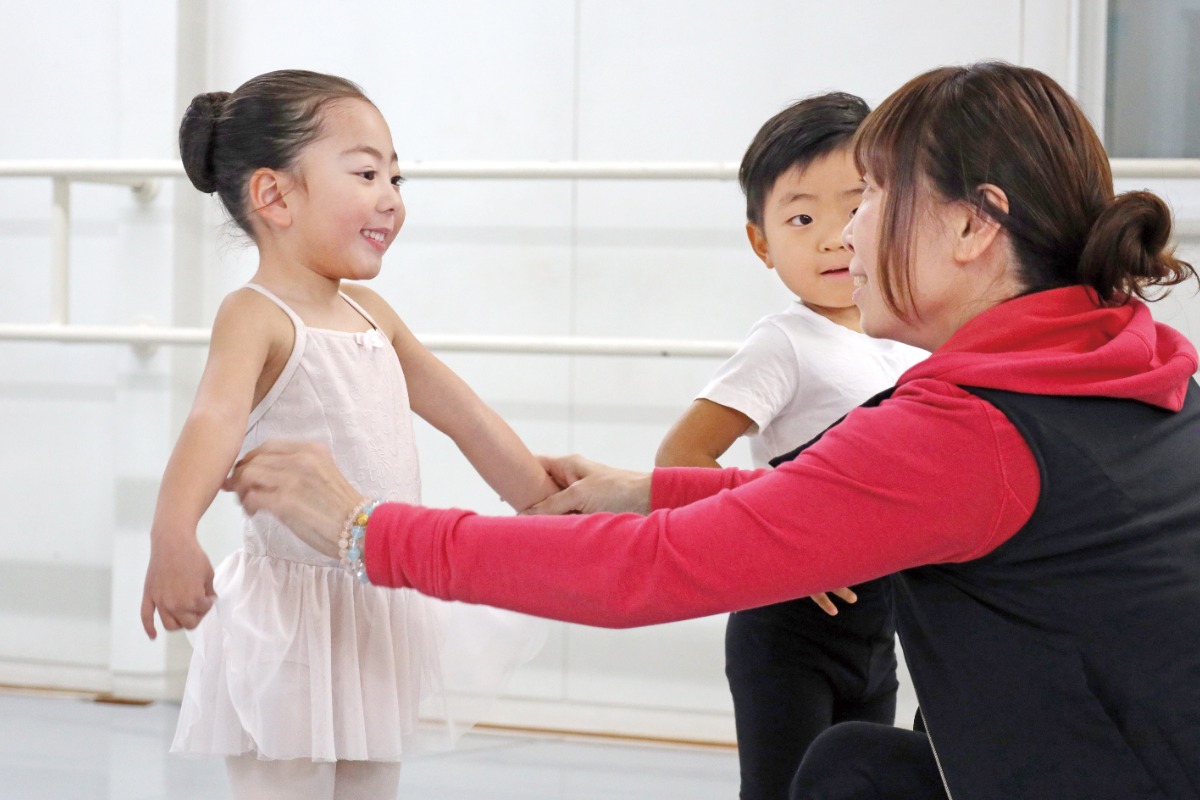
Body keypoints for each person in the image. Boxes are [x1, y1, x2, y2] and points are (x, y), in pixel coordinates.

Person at [222, 62, 1200, 799]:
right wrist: (644, 484)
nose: (848, 236)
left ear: (974, 226)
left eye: (875, 201)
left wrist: (364, 529)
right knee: (857, 765)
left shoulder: (974, 427)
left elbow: (648, 570)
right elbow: (829, 498)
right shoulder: (1122, 356)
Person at [139, 69, 559, 800]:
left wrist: (545, 502)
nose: (391, 197)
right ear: (275, 196)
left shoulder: (375, 314)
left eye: (395, 175)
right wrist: (172, 534)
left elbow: (462, 412)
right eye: (365, 172)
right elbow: (211, 422)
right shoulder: (256, 315)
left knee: (372, 785)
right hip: (292, 618)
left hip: (378, 599)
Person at [655, 92, 925, 800]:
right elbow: (680, 459)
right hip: (788, 628)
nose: (834, 237)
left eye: (855, 208)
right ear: (761, 242)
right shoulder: (784, 343)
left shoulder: (908, 340)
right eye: (802, 218)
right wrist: (783, 547)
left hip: (878, 628)